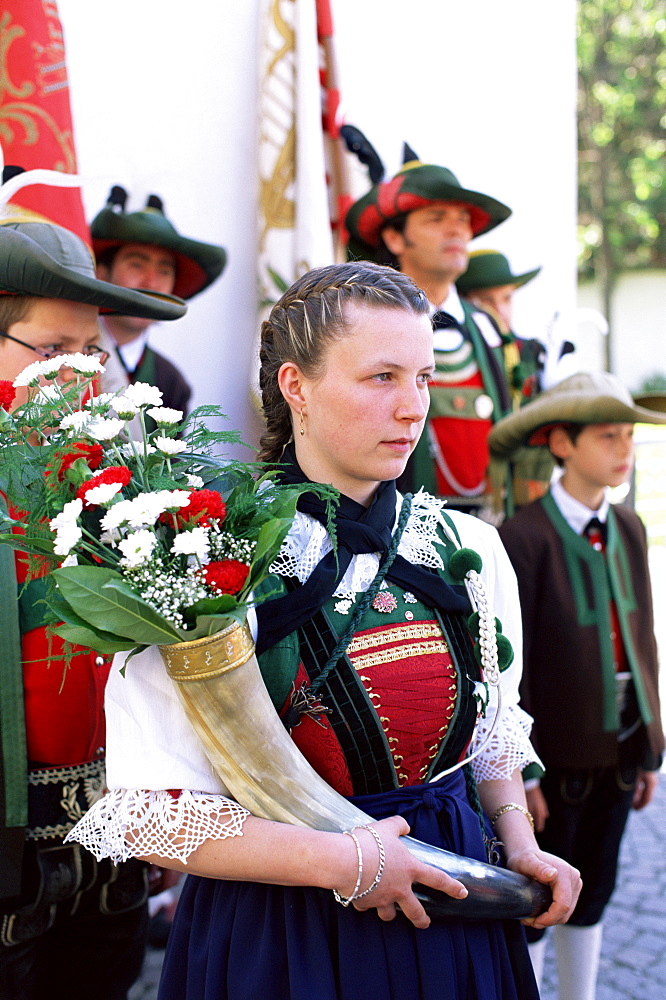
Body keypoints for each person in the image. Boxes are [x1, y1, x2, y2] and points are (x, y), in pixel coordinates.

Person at [68, 261, 580, 1000]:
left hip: (454, 900)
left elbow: (492, 730)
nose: (413, 409)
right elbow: (152, 815)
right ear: (295, 387)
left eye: (424, 378)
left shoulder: (466, 547)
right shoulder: (206, 558)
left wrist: (520, 844)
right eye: (381, 378)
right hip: (284, 928)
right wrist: (346, 864)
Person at [0, 219, 186, 1000]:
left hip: (114, 831)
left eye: (90, 353)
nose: (77, 375)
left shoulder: (121, 485)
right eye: (52, 351)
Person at [490, 371, 666, 999]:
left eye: (629, 436)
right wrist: (525, 773)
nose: (624, 448)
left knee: (597, 884)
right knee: (539, 894)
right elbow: (513, 661)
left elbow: (642, 639)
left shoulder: (630, 526)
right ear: (562, 443)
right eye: (608, 436)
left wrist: (651, 747)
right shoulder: (523, 536)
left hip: (620, 744)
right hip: (555, 753)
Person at [345, 161, 519, 513]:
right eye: (436, 218)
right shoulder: (363, 326)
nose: (456, 230)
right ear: (394, 238)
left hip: (492, 527)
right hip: (395, 528)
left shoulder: (490, 328)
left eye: (463, 219)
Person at [91, 185, 227, 415]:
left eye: (164, 271)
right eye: (136, 264)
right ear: (102, 274)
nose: (151, 283)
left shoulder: (171, 383)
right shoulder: (66, 359)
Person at [457, 249, 556, 511]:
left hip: (526, 487)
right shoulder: (460, 355)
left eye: (507, 298)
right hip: (475, 487)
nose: (499, 310)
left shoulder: (531, 351)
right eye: (486, 301)